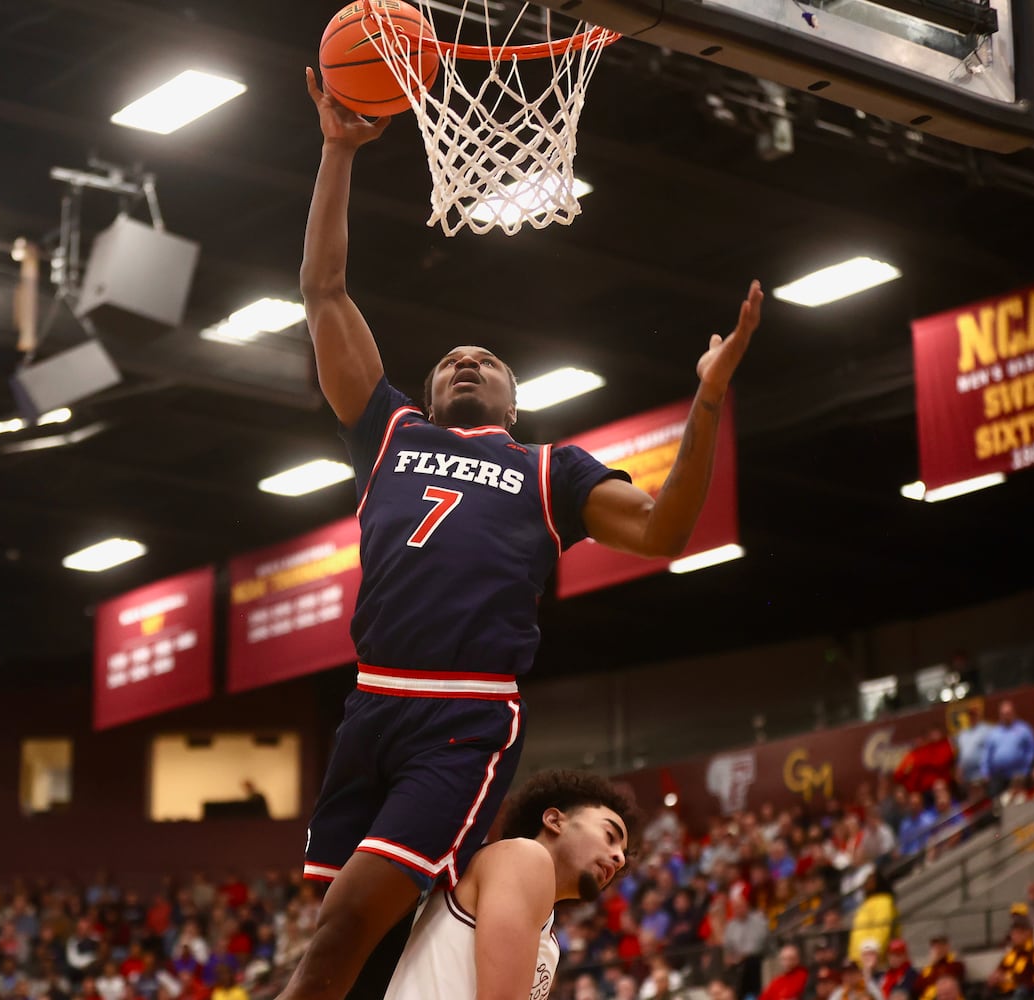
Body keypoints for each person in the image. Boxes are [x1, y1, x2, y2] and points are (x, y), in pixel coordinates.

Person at [287, 67, 762, 1000]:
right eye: (452, 359)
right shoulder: (388, 431)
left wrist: (708, 399)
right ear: (430, 393)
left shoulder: (552, 468)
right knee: (350, 946)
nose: (467, 359)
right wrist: (338, 153)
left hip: (460, 716)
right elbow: (324, 292)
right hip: (371, 702)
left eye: (488, 360)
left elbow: (666, 528)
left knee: (344, 927)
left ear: (511, 399)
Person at [380, 769, 637, 1000]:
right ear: (554, 820)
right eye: (609, 836)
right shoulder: (523, 856)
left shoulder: (550, 938)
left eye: (623, 854)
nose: (619, 857)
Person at [984, 702, 1034, 796]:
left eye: (1008, 713)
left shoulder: (1023, 729)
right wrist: (985, 771)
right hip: (999, 775)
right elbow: (987, 754)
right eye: (1003, 714)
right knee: (993, 798)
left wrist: (1026, 769)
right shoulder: (994, 733)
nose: (1005, 716)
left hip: (1019, 774)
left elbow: (1031, 750)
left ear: (1013, 713)